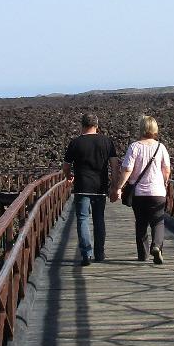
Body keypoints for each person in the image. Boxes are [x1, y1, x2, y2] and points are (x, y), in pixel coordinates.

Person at [113, 116, 172, 264]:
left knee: (141, 223)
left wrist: (119, 187)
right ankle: (157, 246)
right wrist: (165, 182)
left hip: (139, 194)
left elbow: (127, 169)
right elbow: (166, 169)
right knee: (158, 221)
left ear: (141, 128)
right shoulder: (161, 147)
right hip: (157, 191)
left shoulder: (134, 147)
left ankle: (143, 254)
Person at [63, 112, 114, 265]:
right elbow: (115, 164)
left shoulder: (75, 143)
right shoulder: (107, 141)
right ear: (97, 125)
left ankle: (86, 253)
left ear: (82, 125)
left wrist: (68, 175)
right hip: (100, 187)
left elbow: (66, 166)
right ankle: (100, 253)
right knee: (99, 219)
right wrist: (116, 185)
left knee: (83, 220)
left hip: (82, 187)